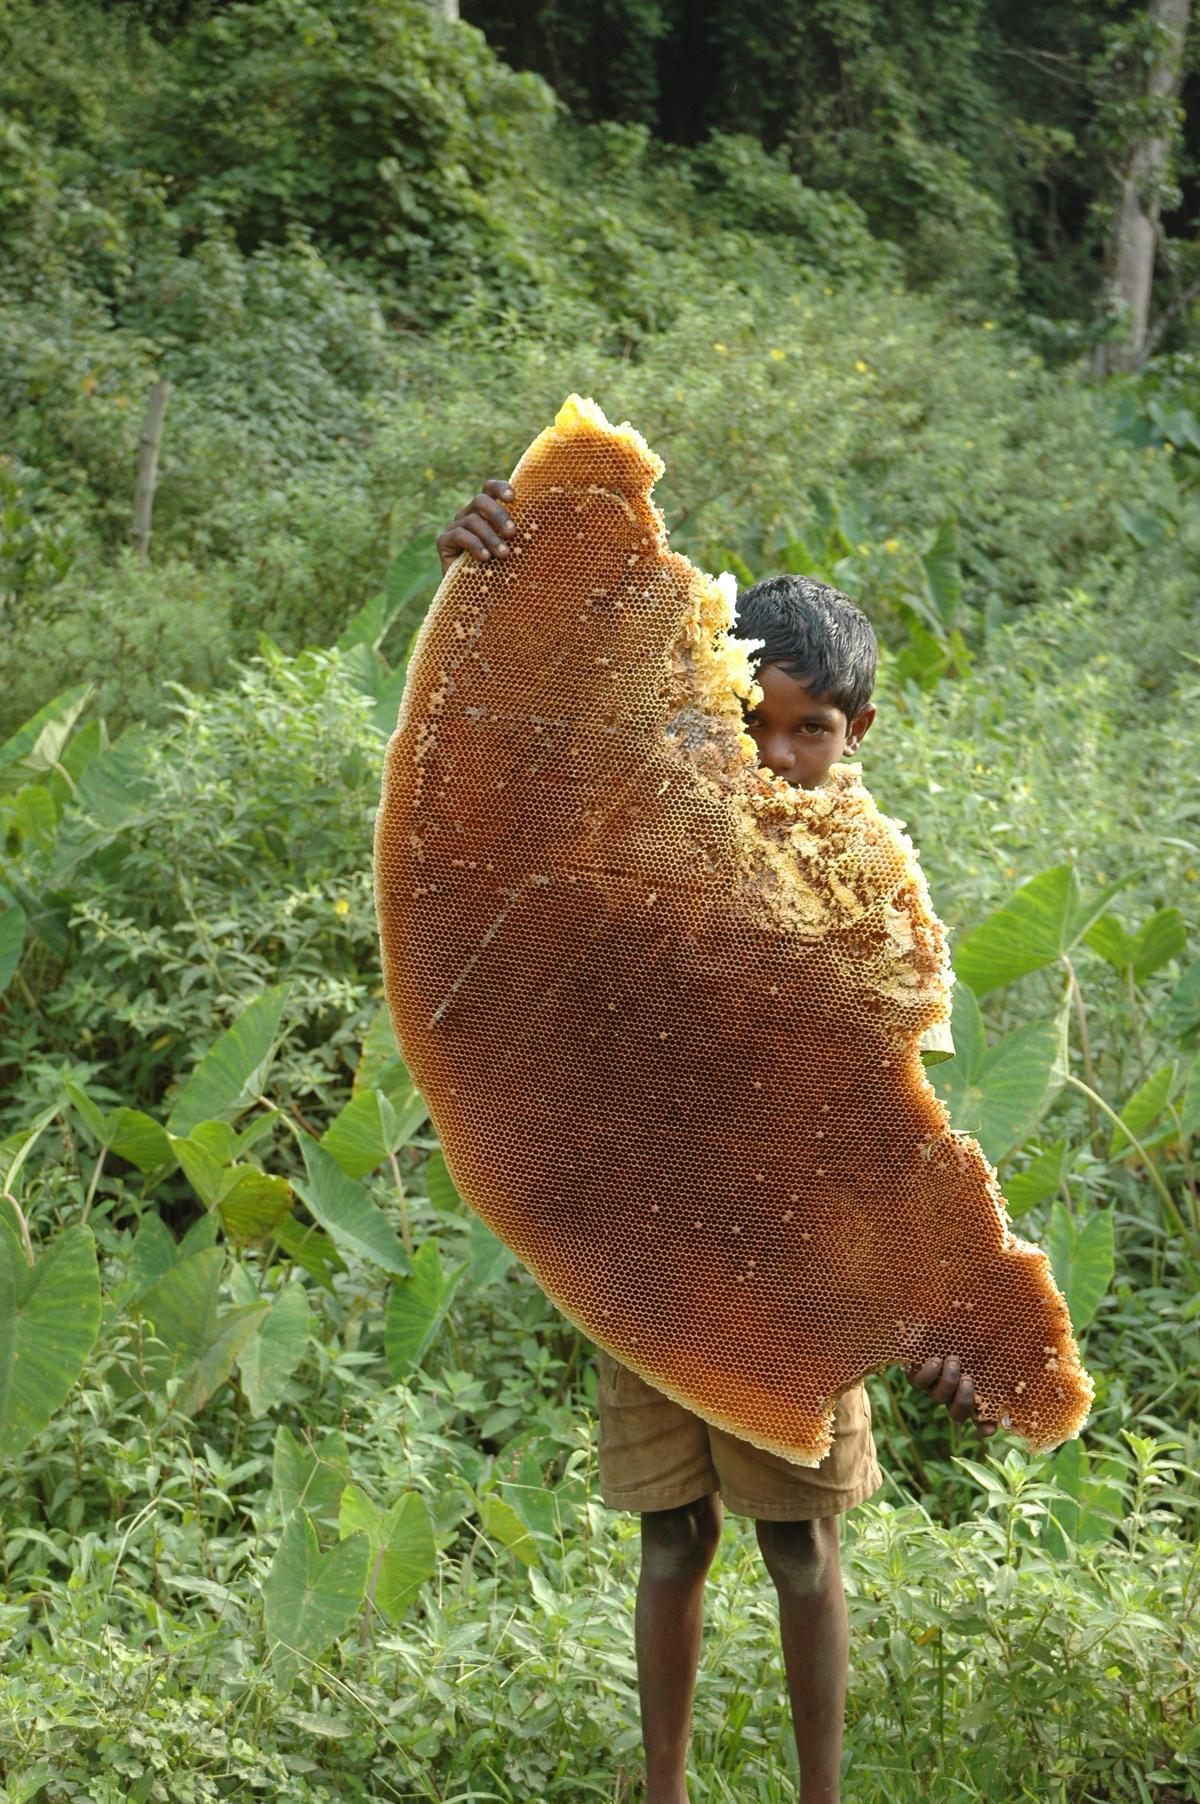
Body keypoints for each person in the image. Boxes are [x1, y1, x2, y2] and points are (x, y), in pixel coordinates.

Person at [436, 481, 997, 1804]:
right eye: (749, 724)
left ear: (858, 732)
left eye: (807, 732)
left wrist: (945, 1299)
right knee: (671, 1543)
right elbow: (511, 768)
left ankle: (819, 1795)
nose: (776, 756)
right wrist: (484, 587)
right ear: (710, 703)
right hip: (648, 1263)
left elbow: (898, 1127)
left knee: (801, 1551)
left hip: (798, 1280)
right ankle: (665, 1790)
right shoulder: (651, 832)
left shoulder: (874, 900)